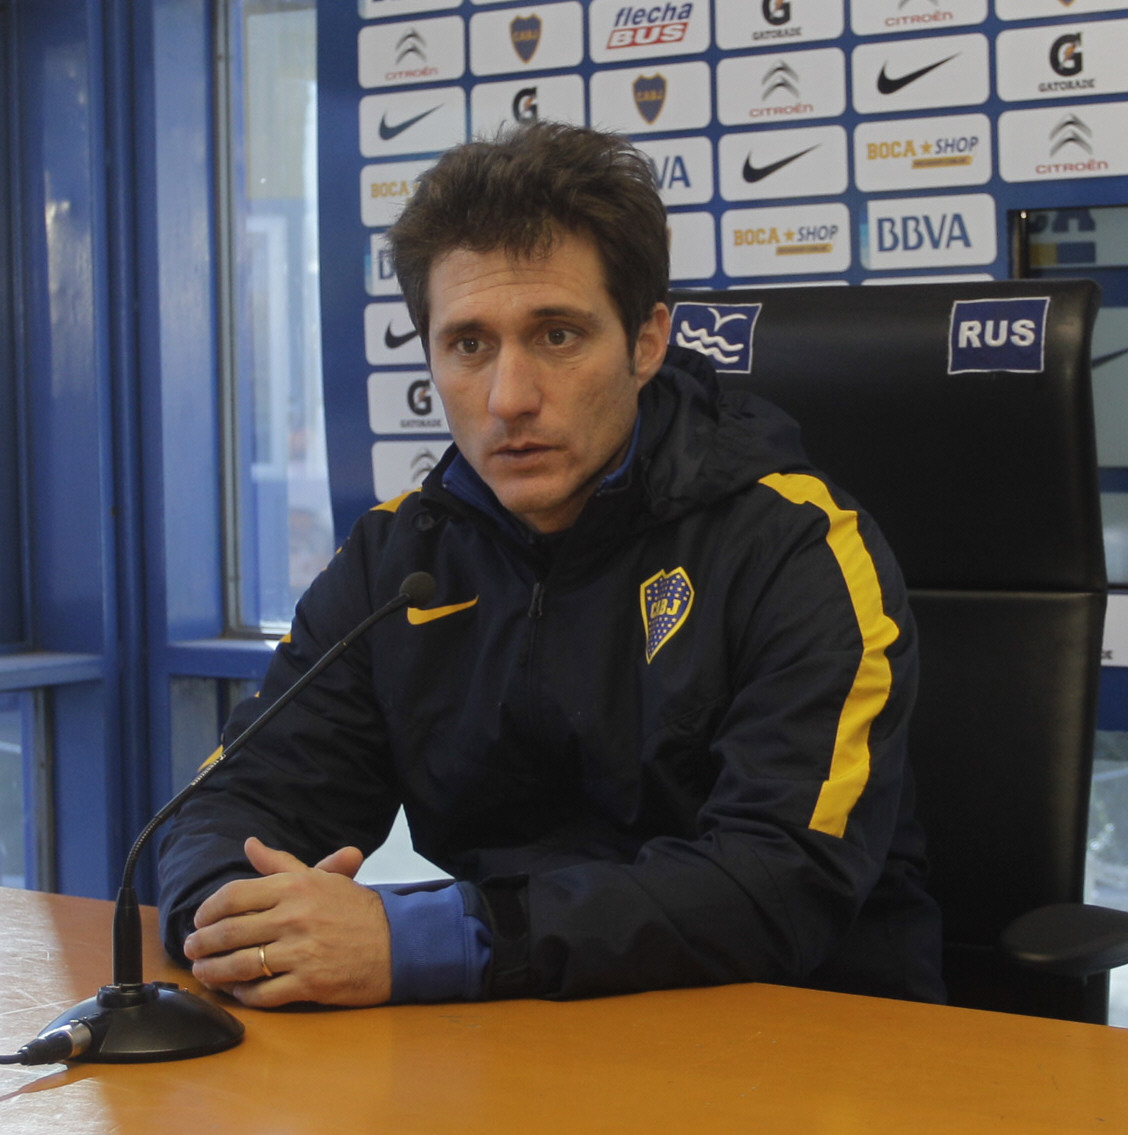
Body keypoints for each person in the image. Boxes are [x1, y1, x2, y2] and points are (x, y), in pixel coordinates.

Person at [158, 121, 944, 1009]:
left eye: (558, 335)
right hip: (515, 1029)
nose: (509, 398)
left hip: (802, 1033)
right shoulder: (397, 561)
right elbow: (223, 809)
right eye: (469, 345)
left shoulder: (799, 545)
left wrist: (438, 941)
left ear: (647, 341)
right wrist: (239, 922)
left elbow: (781, 879)